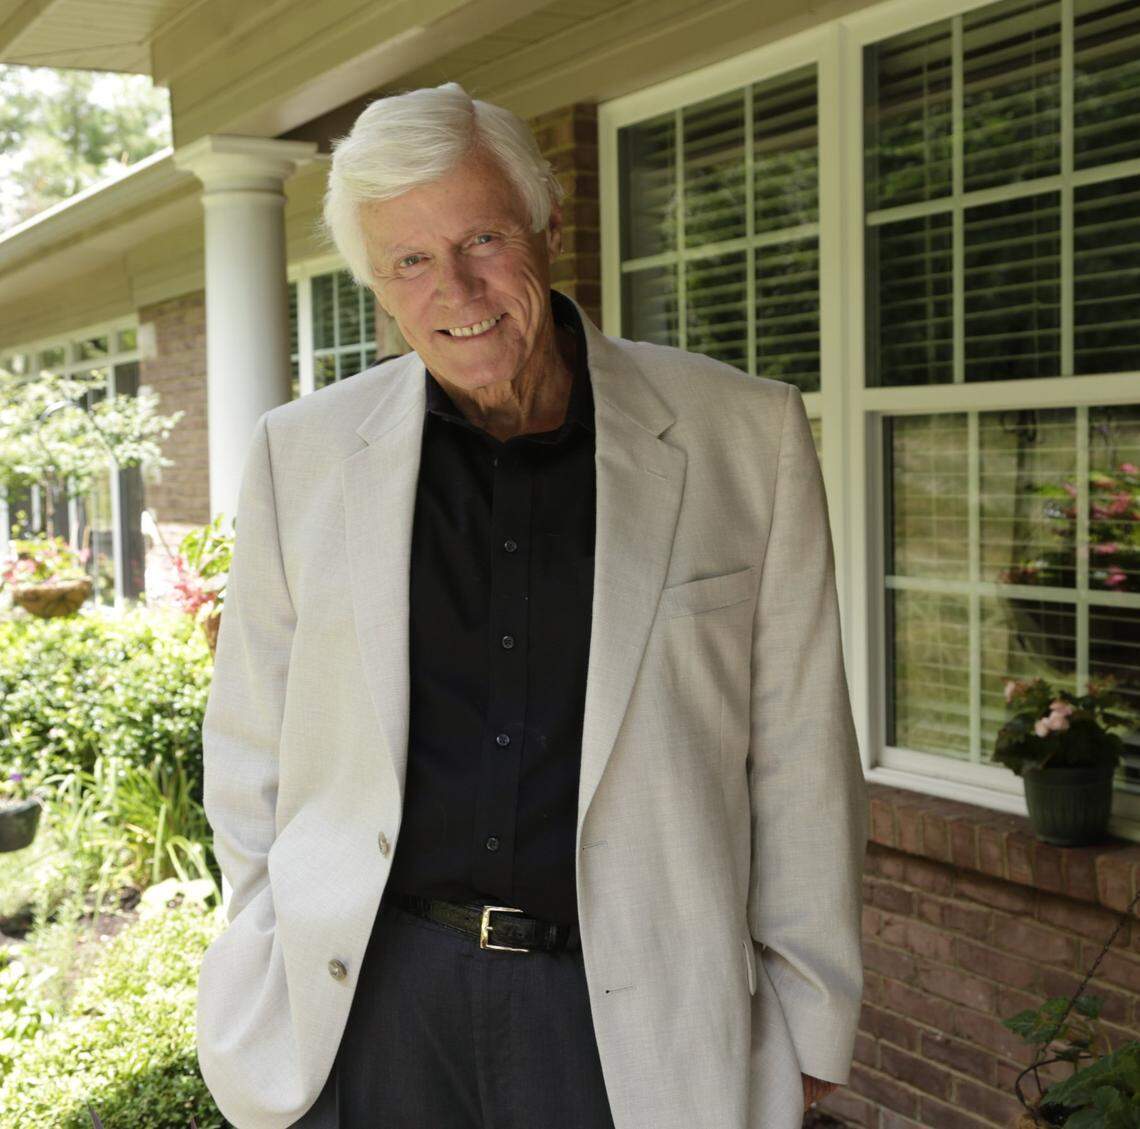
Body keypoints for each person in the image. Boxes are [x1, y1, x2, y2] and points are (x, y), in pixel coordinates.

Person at [195, 81, 869, 1129]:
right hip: (374, 999)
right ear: (376, 279)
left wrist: (810, 1017)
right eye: (409, 261)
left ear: (548, 222)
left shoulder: (746, 435)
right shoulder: (304, 456)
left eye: (482, 238)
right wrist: (259, 954)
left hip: (631, 1016)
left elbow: (801, 754)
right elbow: (248, 750)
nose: (454, 288)